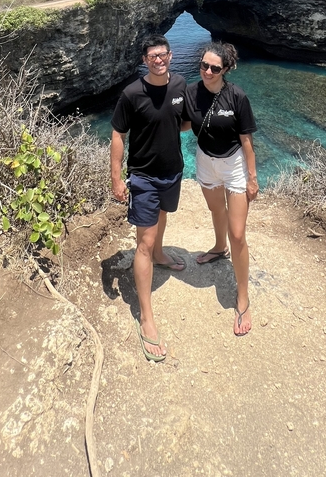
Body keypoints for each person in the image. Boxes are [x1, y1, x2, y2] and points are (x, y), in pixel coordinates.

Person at [110, 34, 187, 362]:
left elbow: (184, 122)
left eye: (163, 54)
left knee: (163, 216)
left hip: (173, 171)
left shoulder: (180, 85)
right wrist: (116, 177)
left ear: (170, 56)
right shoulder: (132, 93)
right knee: (143, 241)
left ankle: (158, 254)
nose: (159, 60)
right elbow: (118, 133)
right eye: (152, 56)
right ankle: (146, 317)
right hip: (143, 177)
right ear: (145, 60)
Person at [182, 41, 259, 336]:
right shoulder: (191, 92)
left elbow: (247, 141)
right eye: (204, 65)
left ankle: (243, 298)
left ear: (226, 69)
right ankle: (218, 247)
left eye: (215, 68)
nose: (208, 71)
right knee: (216, 210)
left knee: (238, 233)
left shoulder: (237, 96)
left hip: (234, 164)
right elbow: (186, 123)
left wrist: (252, 178)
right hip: (205, 161)